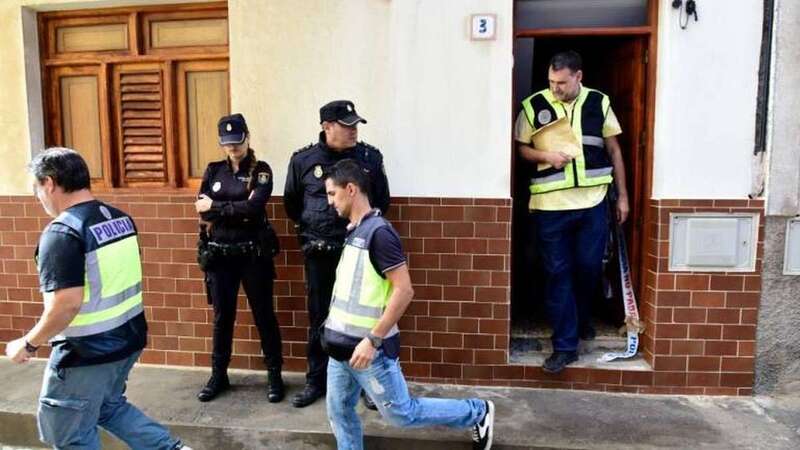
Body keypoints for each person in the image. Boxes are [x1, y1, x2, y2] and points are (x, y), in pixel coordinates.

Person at [5, 147, 189, 450]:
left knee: (69, 434)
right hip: (128, 339)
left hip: (86, 352)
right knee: (108, 407)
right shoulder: (119, 219)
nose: (37, 197)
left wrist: (28, 343)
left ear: (49, 183)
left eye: (36, 188)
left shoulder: (62, 232)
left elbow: (67, 303)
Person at [322, 159, 495, 450]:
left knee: (403, 413)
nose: (329, 202)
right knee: (339, 412)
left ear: (350, 189)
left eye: (331, 194)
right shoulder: (356, 231)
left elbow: (404, 291)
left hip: (368, 352)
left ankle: (477, 412)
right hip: (340, 351)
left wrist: (373, 340)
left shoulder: (380, 233)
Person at [515, 50, 630, 373]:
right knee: (557, 273)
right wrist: (546, 155)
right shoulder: (534, 105)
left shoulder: (598, 102)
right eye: (551, 82)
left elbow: (614, 150)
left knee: (588, 268)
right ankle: (565, 347)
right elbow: (521, 149)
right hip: (550, 207)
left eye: (562, 83)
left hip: (593, 202)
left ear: (578, 76)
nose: (556, 88)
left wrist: (623, 197)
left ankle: (579, 322)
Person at [284, 100, 390, 408]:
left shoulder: (370, 158)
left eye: (356, 124)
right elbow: (292, 205)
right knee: (320, 316)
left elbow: (383, 199)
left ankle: (369, 384)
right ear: (326, 127)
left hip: (360, 252)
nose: (354, 130)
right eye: (347, 125)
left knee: (366, 317)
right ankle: (316, 381)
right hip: (320, 252)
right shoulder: (303, 160)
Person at [194, 113, 284, 402]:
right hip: (221, 258)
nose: (233, 148)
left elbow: (255, 208)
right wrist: (233, 207)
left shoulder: (262, 171)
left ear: (247, 137)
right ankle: (218, 374)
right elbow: (202, 210)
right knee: (222, 318)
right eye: (228, 143)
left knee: (264, 316)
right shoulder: (213, 170)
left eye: (238, 141)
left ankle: (274, 375)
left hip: (252, 256)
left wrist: (218, 206)